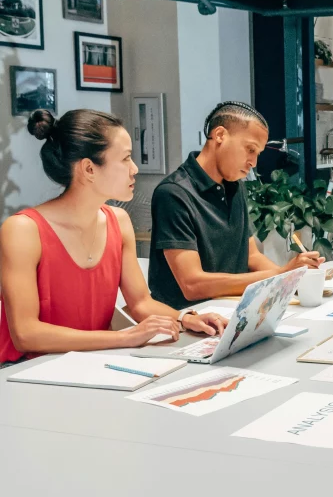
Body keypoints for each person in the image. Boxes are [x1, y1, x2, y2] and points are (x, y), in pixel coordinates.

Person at [0, 110, 228, 366]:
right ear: (89, 169)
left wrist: (185, 319)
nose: (135, 169)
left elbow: (140, 302)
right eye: (125, 159)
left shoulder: (118, 221)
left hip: (93, 365)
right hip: (24, 375)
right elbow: (26, 335)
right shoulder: (22, 230)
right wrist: (125, 337)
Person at [149, 101, 323, 311]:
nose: (254, 162)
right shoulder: (173, 193)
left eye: (257, 153)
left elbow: (252, 256)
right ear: (220, 135)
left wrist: (290, 281)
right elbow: (192, 284)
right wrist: (281, 274)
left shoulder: (234, 187)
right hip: (187, 319)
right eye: (250, 149)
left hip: (232, 310)